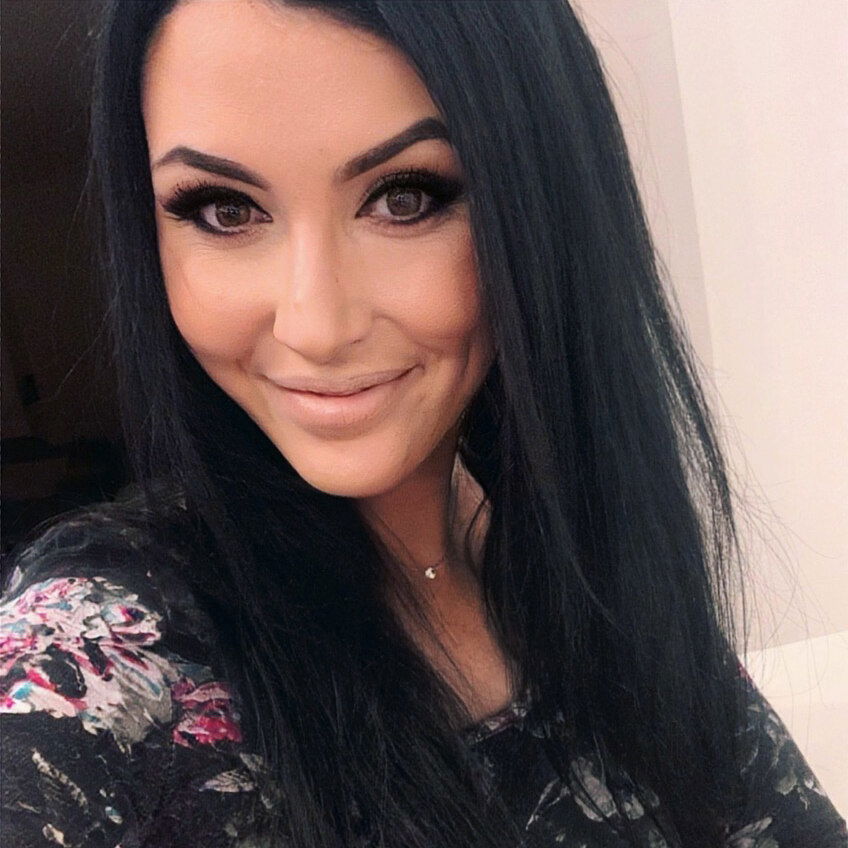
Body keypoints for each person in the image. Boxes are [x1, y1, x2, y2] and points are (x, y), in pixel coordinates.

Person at [1, 1, 845, 846]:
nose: (315, 326)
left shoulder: (583, 557)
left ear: (543, 210)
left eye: (404, 199)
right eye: (225, 210)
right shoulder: (98, 645)